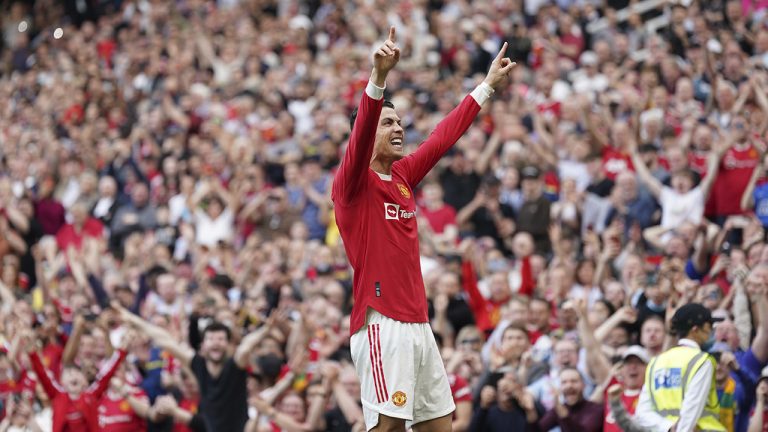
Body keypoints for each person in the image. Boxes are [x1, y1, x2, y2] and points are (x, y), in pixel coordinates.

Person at [331, 26, 516, 431]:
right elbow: (362, 133)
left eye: (399, 122)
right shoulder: (351, 185)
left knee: (439, 425)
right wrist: (378, 78)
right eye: (387, 123)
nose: (398, 129)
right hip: (381, 323)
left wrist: (485, 87)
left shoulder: (401, 176)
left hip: (418, 322)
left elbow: (441, 139)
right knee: (389, 428)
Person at [115, 303, 268, 432]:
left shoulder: (235, 365)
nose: (216, 343)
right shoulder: (197, 363)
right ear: (203, 345)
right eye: (211, 339)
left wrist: (266, 329)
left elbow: (246, 346)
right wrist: (133, 319)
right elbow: (165, 340)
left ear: (228, 345)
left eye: (220, 339)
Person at [635, 303, 727, 432]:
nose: (711, 331)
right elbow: (692, 408)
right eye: (708, 327)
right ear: (695, 330)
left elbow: (642, 413)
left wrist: (667, 426)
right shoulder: (701, 361)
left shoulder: (655, 362)